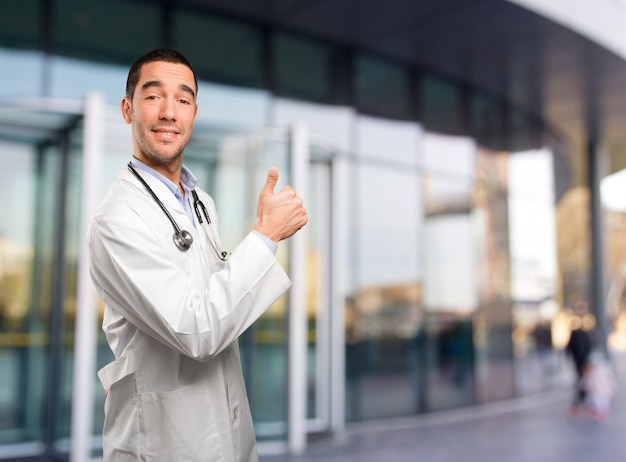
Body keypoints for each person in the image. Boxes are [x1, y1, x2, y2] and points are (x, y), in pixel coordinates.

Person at [88, 48, 308, 462]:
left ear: (194, 112)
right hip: (160, 445)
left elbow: (220, 305)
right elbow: (198, 328)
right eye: (153, 96)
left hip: (227, 435)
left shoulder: (200, 202)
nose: (169, 112)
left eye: (183, 100)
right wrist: (266, 236)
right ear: (127, 109)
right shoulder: (116, 219)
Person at [565, 301, 593, 416]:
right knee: (581, 381)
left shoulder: (589, 322)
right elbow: (570, 344)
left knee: (585, 381)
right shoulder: (574, 324)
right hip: (579, 360)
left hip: (586, 359)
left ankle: (583, 402)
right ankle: (579, 403)